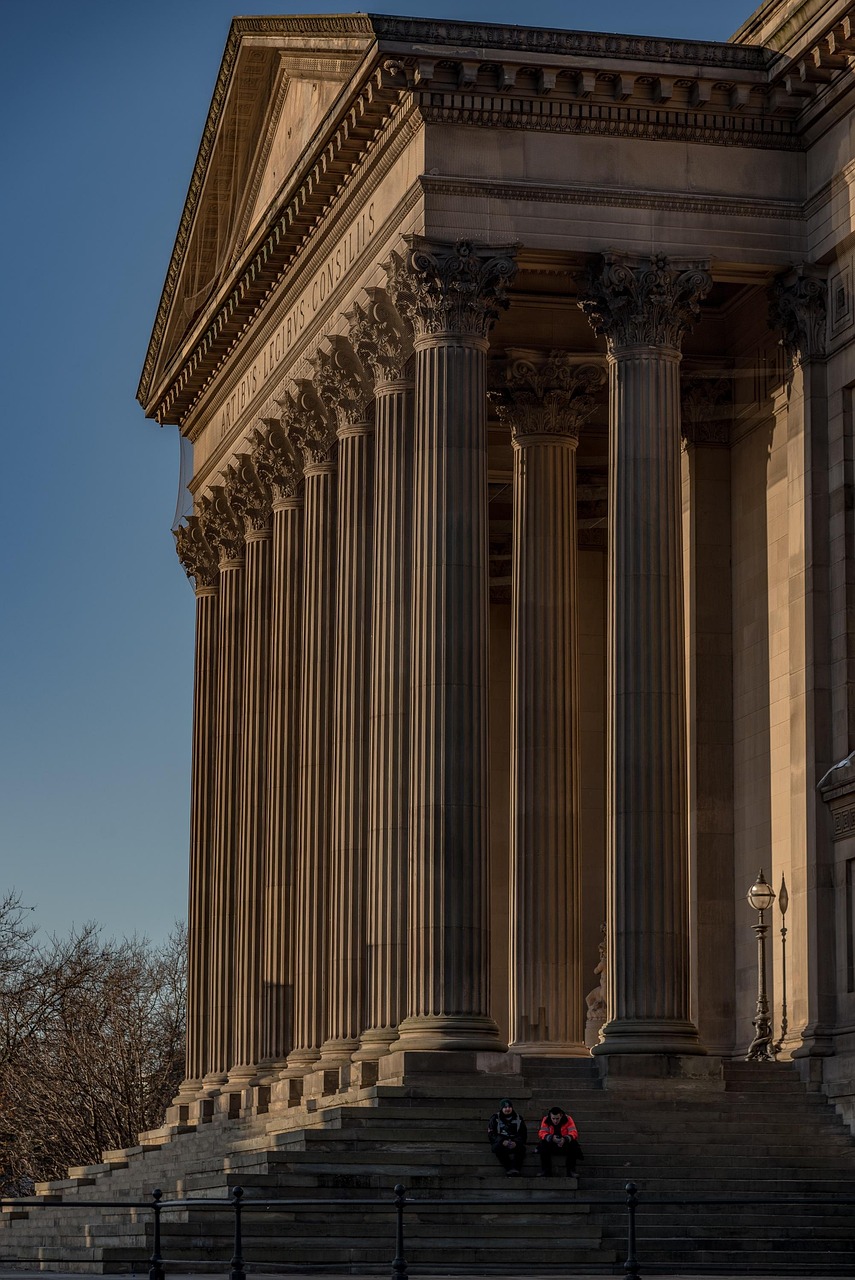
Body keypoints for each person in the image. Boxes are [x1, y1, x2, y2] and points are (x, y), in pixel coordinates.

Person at [537, 1105, 582, 1177]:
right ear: (550, 1116)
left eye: (557, 1118)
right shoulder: (546, 1119)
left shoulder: (568, 1119)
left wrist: (565, 1139)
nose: (555, 1121)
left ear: (561, 1116)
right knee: (543, 1143)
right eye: (553, 1118)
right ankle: (546, 1170)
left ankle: (571, 1171)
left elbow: (574, 1132)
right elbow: (542, 1133)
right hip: (551, 1144)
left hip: (565, 1143)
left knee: (573, 1143)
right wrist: (551, 1138)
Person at [487, 1098, 527, 1175]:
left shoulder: (519, 1118)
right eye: (505, 1107)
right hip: (501, 1142)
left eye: (509, 1107)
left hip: (515, 1142)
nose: (507, 1109)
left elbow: (523, 1134)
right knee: (497, 1148)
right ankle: (509, 1168)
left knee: (522, 1149)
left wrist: (516, 1142)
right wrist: (502, 1141)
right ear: (501, 1108)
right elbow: (491, 1134)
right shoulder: (495, 1118)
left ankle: (516, 1168)